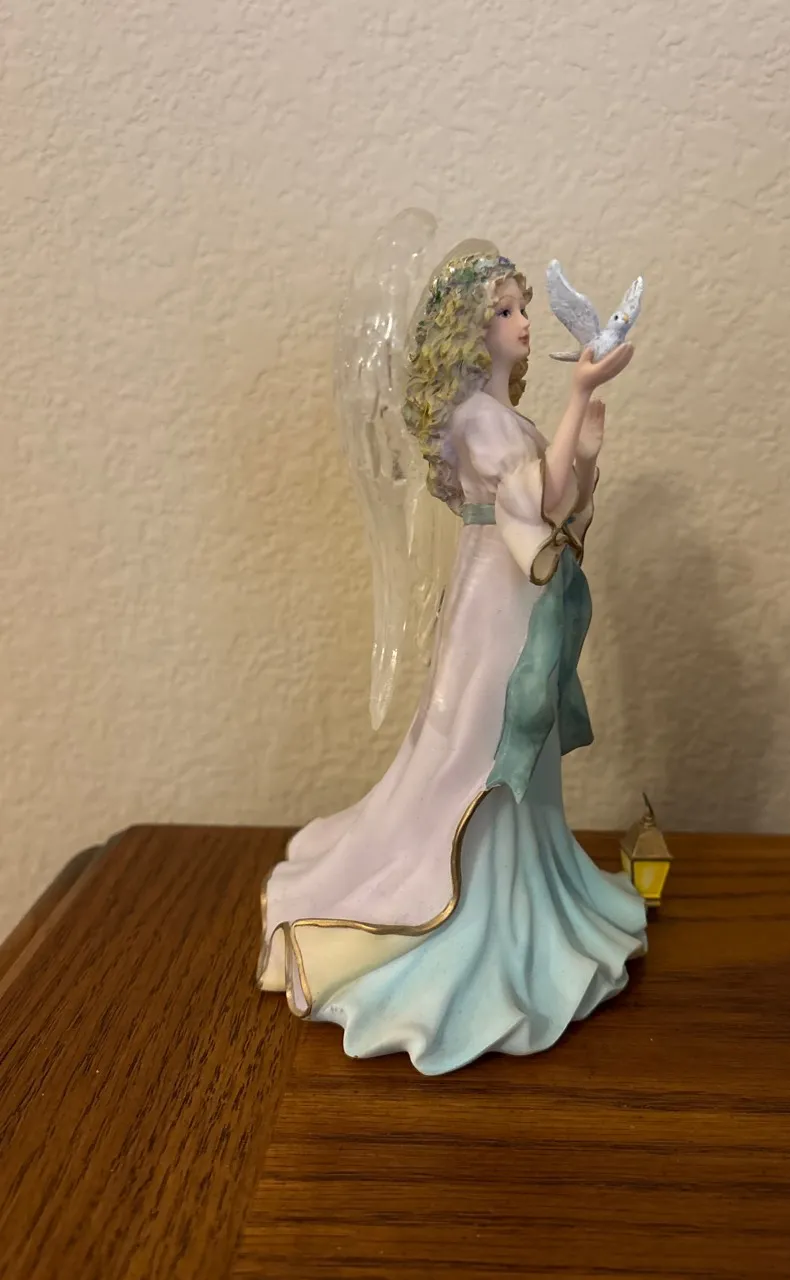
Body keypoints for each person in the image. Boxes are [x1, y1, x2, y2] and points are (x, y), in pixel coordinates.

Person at [257, 250, 647, 1075]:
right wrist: (578, 396)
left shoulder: (502, 416)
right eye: (505, 311)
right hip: (497, 608)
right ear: (471, 330)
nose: (523, 323)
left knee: (516, 737)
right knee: (487, 741)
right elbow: (533, 502)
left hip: (514, 597)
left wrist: (582, 444)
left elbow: (558, 497)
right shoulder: (478, 419)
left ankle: (530, 894)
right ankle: (478, 915)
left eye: (521, 307)